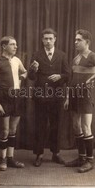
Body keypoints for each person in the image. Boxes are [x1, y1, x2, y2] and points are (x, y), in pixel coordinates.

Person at [64, 29, 95, 173]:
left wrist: (93, 78)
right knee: (76, 126)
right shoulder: (76, 58)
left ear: (87, 42)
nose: (75, 42)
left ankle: (90, 161)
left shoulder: (93, 56)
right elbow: (71, 79)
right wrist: (66, 97)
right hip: (73, 95)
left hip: (85, 96)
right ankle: (81, 157)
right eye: (75, 40)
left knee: (85, 127)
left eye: (79, 40)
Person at [28, 28, 70, 167]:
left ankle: (55, 154)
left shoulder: (62, 55)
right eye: (45, 38)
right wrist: (32, 69)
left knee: (56, 126)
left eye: (50, 38)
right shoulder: (36, 55)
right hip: (41, 96)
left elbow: (68, 75)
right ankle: (39, 154)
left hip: (57, 96)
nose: (48, 41)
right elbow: (31, 77)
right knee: (40, 125)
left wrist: (60, 76)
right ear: (42, 40)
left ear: (55, 39)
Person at [0, 36, 27, 171]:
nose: (16, 47)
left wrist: (22, 77)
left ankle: (10, 159)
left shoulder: (17, 60)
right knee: (4, 131)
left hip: (17, 98)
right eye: (12, 44)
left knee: (13, 130)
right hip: (4, 99)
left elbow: (25, 72)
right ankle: (2, 159)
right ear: (4, 46)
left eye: (16, 44)